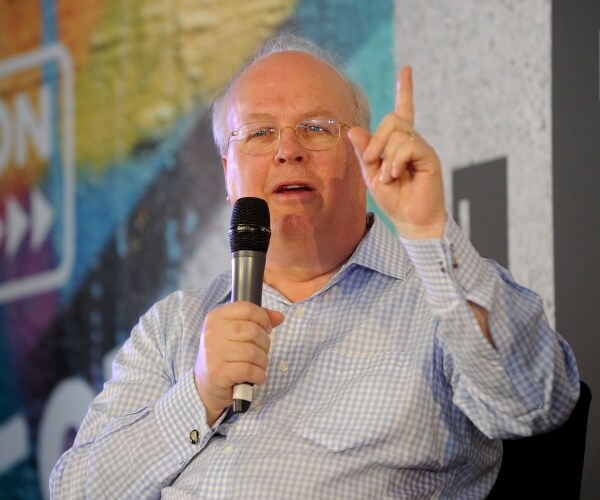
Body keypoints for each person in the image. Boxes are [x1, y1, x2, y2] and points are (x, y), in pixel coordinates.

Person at [50, 33, 579, 499]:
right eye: (259, 133)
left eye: (317, 128)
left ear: (363, 156)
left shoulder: (439, 304)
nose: (288, 150)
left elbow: (537, 404)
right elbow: (74, 491)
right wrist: (199, 395)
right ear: (228, 172)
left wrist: (429, 230)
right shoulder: (174, 326)